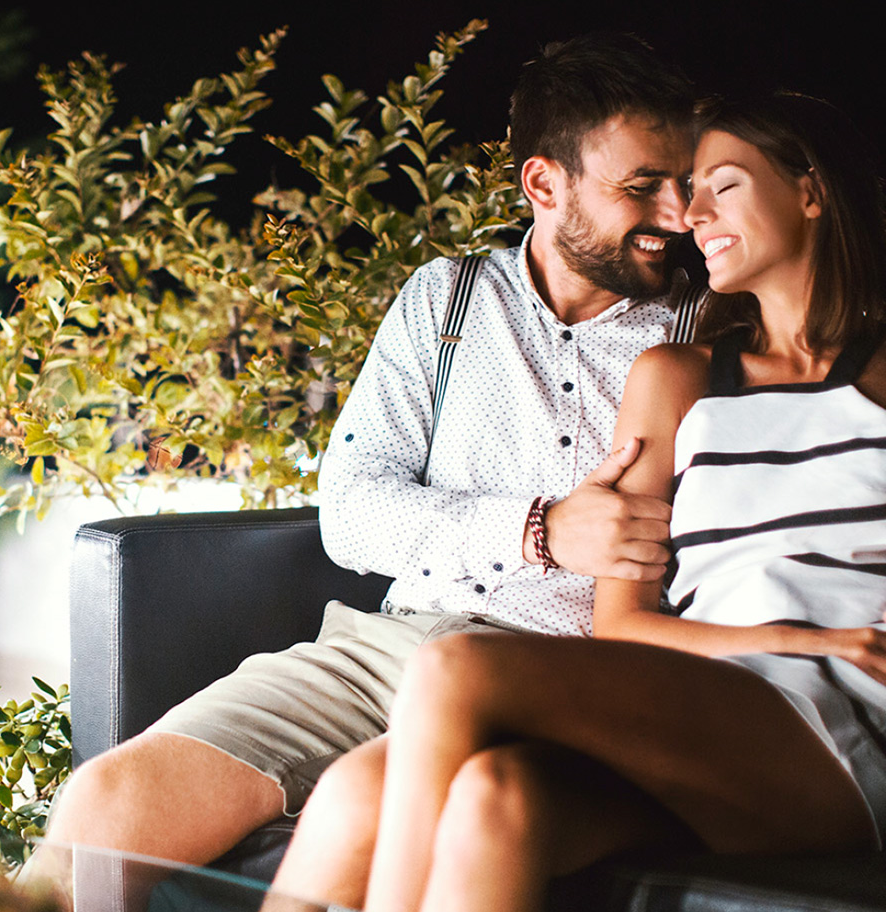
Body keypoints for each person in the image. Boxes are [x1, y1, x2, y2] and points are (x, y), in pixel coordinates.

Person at [38, 32, 694, 878]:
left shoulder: (709, 336)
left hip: (571, 679)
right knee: (107, 804)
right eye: (643, 187)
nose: (679, 215)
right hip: (393, 648)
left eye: (684, 184)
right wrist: (540, 530)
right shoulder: (445, 300)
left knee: (372, 805)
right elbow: (351, 510)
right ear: (544, 183)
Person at [298, 91, 886, 912]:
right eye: (685, 190)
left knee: (458, 668)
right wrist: (790, 632)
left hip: (838, 714)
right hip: (715, 700)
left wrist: (821, 645)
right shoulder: (678, 376)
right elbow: (625, 625)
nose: (690, 216)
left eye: (723, 186)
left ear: (811, 190)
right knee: (485, 795)